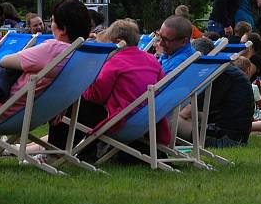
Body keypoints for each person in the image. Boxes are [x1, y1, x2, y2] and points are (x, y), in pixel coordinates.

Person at [47, 19, 170, 157]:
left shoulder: (115, 61)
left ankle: (54, 152)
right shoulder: (152, 60)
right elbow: (162, 87)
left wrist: (84, 84)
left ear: (117, 42)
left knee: (73, 100)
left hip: (121, 121)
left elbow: (96, 96)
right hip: (147, 120)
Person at [0, 0, 91, 120]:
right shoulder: (81, 54)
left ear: (63, 29)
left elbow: (5, 61)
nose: (50, 25)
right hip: (33, 116)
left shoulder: (54, 49)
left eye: (53, 21)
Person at [177, 38, 254, 147]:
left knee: (172, 122)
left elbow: (187, 111)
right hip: (234, 135)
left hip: (227, 140)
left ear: (201, 58)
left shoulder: (219, 76)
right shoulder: (225, 70)